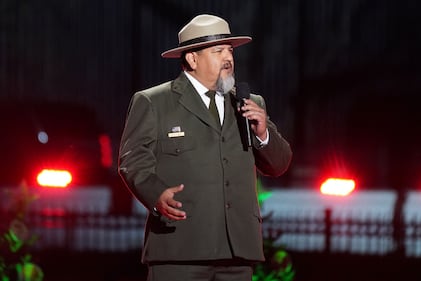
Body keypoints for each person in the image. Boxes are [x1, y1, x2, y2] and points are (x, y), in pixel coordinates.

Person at [118, 14, 292, 281]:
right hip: (180, 249)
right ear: (192, 58)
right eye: (218, 50)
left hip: (237, 252)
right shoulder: (154, 102)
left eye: (230, 50)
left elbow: (279, 164)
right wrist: (156, 195)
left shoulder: (248, 103)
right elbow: (132, 160)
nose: (228, 58)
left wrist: (263, 133)